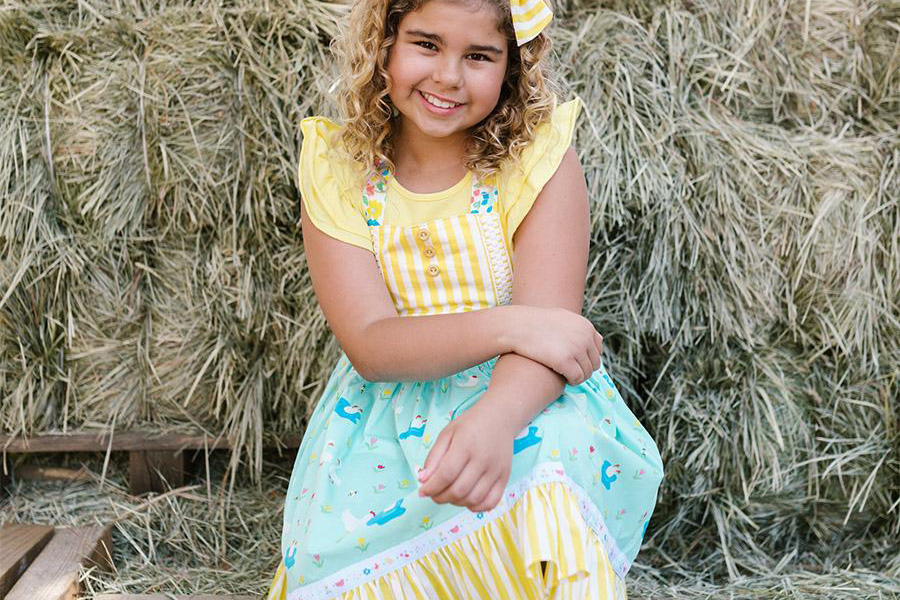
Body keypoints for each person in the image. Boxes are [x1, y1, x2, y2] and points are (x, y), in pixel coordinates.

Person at [265, 0, 663, 597]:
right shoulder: (339, 172)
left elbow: (547, 347)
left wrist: (495, 420)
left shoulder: (537, 163)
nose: (448, 76)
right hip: (386, 417)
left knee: (546, 463)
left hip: (524, 396)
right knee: (341, 553)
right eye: (426, 44)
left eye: (479, 56)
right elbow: (372, 344)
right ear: (384, 42)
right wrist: (513, 325)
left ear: (512, 69)